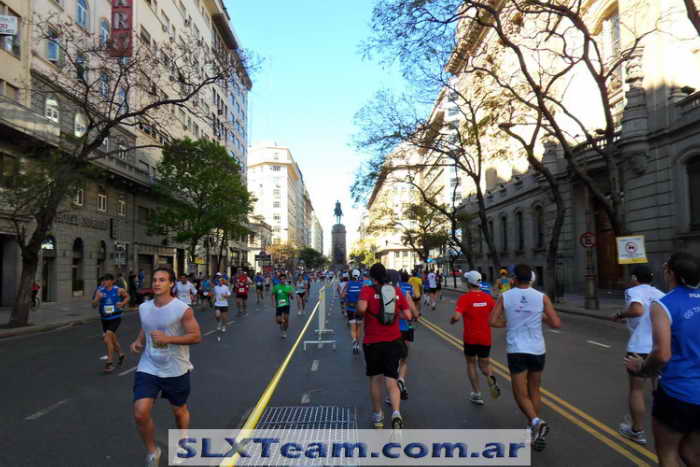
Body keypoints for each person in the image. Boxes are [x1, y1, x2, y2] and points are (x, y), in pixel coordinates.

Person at [625, 252, 700, 467]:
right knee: (692, 454)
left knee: (668, 453)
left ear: (670, 273)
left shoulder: (664, 304)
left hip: (678, 391)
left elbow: (662, 354)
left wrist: (642, 367)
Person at [130, 267, 202, 467]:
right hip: (149, 366)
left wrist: (168, 339)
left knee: (179, 411)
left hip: (175, 368)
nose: (156, 283)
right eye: (154, 279)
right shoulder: (144, 308)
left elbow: (196, 336)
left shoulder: (182, 309)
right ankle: (153, 452)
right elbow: (147, 326)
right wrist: (139, 340)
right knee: (140, 412)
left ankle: (183, 441)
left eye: (162, 280)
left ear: (171, 284)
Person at [490, 264, 561, 451]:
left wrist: (508, 323)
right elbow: (556, 323)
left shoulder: (506, 296)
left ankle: (536, 422)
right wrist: (542, 317)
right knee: (534, 389)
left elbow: (492, 321)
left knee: (520, 394)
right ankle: (533, 429)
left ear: (514, 279)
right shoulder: (541, 297)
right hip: (537, 350)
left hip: (517, 350)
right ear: (531, 279)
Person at [612, 265, 664, 445]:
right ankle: (663, 425)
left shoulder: (633, 291)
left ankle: (637, 431)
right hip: (659, 345)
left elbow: (637, 310)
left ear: (634, 278)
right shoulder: (661, 294)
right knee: (659, 386)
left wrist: (620, 314)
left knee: (636, 390)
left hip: (640, 347)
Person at [357, 263, 412, 429]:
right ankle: (396, 412)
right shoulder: (396, 291)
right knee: (391, 379)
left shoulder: (367, 290)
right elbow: (408, 315)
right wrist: (395, 314)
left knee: (375, 379)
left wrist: (364, 311)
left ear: (372, 277)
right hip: (393, 340)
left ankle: (378, 416)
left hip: (373, 341)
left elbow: (361, 308)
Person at [451, 271, 500, 406]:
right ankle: (490, 378)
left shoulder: (465, 298)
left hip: (470, 338)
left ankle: (477, 394)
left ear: (469, 283)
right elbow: (497, 314)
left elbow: (456, 316)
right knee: (485, 364)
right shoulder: (488, 298)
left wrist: (452, 320)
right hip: (485, 338)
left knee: (471, 363)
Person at [92, 273, 129, 373]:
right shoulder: (99, 291)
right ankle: (121, 354)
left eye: (107, 280)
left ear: (112, 281)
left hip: (115, 317)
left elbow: (127, 297)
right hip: (104, 319)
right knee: (112, 340)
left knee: (107, 338)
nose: (105, 282)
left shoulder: (118, 290)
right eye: (104, 280)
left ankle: (109, 363)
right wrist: (97, 299)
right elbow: (93, 305)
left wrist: (122, 303)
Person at [395, 270, 418, 400]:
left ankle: (393, 391)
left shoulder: (382, 293)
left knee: (392, 361)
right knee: (404, 358)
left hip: (391, 331)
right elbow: (414, 312)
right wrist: (416, 315)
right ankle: (401, 379)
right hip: (406, 329)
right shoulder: (404, 292)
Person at [343, 270, 365, 354]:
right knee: (359, 327)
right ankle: (357, 345)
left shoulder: (348, 284)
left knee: (353, 328)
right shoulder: (362, 285)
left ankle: (354, 343)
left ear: (352, 275)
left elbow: (342, 295)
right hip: (359, 309)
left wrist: (347, 296)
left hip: (350, 308)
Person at [272, 273, 296, 339]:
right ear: (279, 280)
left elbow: (292, 298)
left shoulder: (289, 287)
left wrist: (290, 294)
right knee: (278, 321)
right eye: (281, 279)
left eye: (283, 279)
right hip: (279, 305)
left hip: (286, 305)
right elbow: (273, 295)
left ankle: (284, 332)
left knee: (286, 319)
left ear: (285, 279)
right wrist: (273, 303)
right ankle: (282, 322)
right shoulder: (276, 287)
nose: (282, 280)